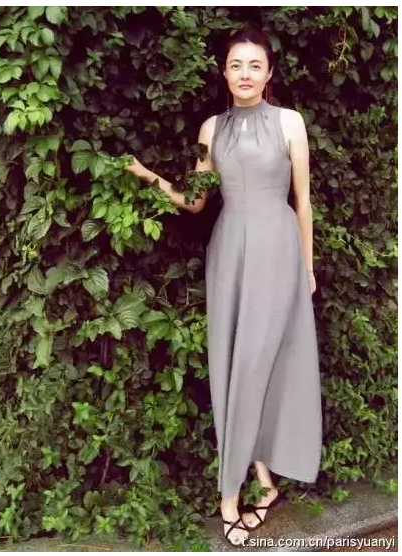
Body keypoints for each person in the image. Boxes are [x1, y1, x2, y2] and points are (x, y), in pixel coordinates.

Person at [126, 26, 322, 548]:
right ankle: (263, 483)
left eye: (255, 65)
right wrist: (148, 177)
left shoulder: (290, 122)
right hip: (229, 252)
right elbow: (195, 201)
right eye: (236, 65)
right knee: (232, 366)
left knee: (261, 364)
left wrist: (306, 267)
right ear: (224, 72)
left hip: (278, 252)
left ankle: (229, 497)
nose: (245, 74)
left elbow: (302, 201)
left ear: (269, 72)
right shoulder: (211, 129)